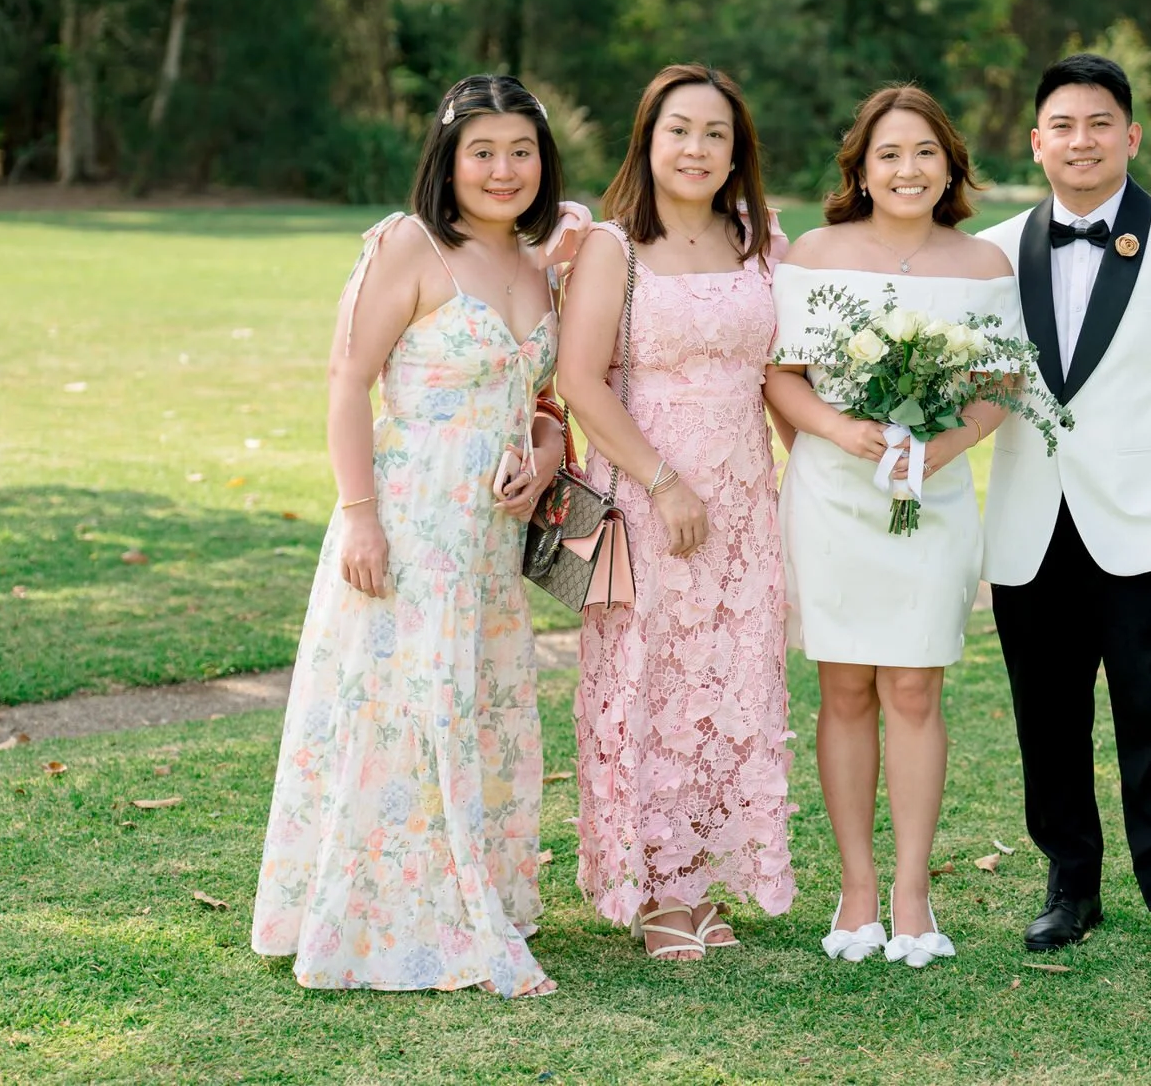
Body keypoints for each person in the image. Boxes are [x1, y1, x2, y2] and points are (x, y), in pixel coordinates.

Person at [252, 74, 590, 998]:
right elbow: (344, 379)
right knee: (401, 701)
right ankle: (389, 908)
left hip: (489, 538)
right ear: (448, 157)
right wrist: (359, 512)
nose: (503, 168)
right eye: (482, 150)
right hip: (409, 516)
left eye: (521, 150)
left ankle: (471, 881)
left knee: (472, 700)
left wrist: (548, 447)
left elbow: (543, 396)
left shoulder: (537, 261)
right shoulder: (410, 247)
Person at [978, 54, 1151, 973]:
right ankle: (1071, 882)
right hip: (1030, 522)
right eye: (1063, 125)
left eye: (1100, 124)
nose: (1081, 140)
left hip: (1147, 522)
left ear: (1130, 137)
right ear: (1036, 142)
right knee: (1046, 717)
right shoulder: (995, 248)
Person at [765, 85, 1019, 969]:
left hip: (932, 498)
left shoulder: (983, 264)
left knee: (913, 689)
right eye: (888, 154)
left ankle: (913, 894)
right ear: (860, 170)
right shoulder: (816, 252)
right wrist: (844, 431)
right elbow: (782, 375)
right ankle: (858, 888)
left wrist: (937, 451)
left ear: (949, 164)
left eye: (924, 152)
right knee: (844, 689)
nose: (907, 169)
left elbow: (999, 390)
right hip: (834, 492)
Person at [555, 63, 795, 961]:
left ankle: (704, 876)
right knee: (650, 680)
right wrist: (663, 481)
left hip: (743, 497)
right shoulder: (614, 246)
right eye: (679, 131)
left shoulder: (758, 238)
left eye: (716, 134)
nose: (696, 149)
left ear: (738, 153)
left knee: (731, 681)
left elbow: (778, 373)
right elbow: (580, 381)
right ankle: (655, 885)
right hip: (649, 493)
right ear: (648, 142)